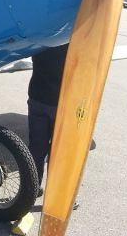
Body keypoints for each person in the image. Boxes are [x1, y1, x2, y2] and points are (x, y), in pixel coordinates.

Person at [27, 43, 88, 210]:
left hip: (37, 97)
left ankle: (32, 189)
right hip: (60, 102)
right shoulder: (71, 40)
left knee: (36, 148)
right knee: (59, 152)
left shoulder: (41, 37)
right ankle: (57, 197)